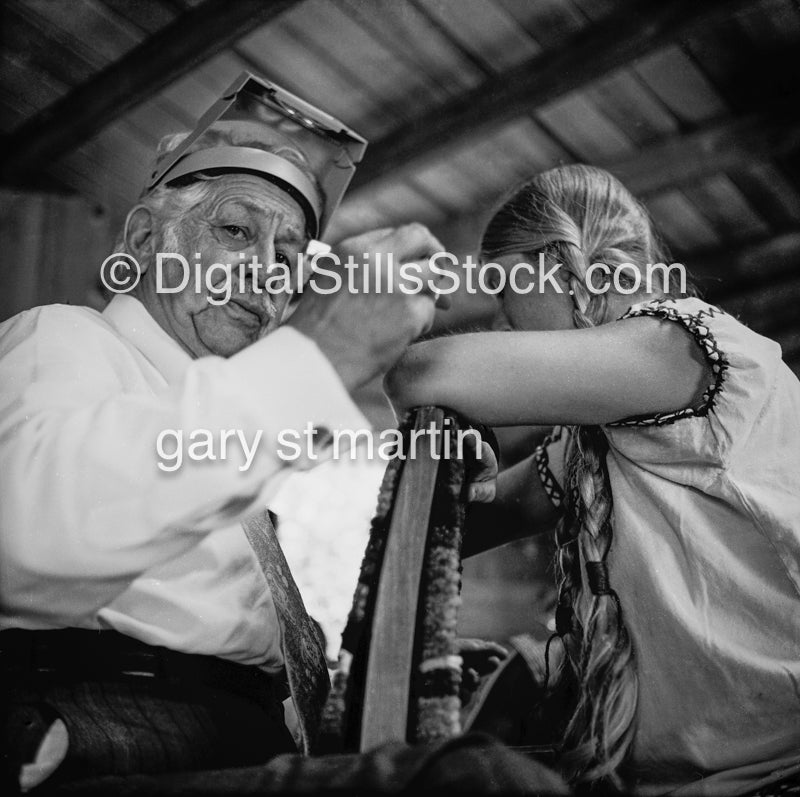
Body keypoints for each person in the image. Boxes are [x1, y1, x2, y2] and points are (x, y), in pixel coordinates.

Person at [0, 101, 451, 788]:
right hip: (116, 721)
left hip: (249, 739)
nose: (267, 270)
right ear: (147, 240)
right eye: (237, 229)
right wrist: (323, 352)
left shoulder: (233, 434)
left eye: (288, 256)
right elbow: (25, 528)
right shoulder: (65, 336)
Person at [385, 164, 800, 795]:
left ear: (557, 260)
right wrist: (468, 460)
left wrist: (391, 310)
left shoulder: (684, 345)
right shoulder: (592, 439)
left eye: (503, 288)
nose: (502, 320)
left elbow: (424, 373)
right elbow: (475, 519)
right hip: (699, 776)